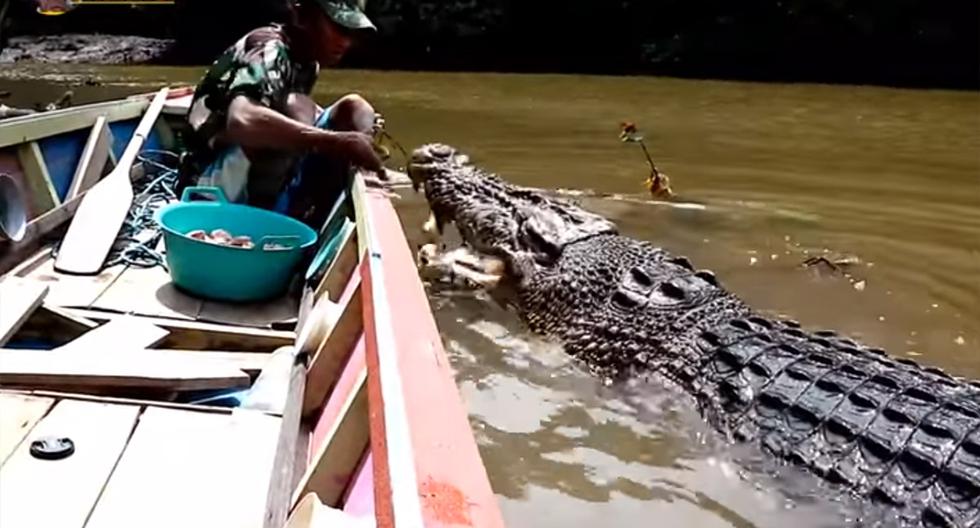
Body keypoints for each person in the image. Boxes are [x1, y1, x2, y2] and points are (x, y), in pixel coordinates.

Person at [179, 0, 384, 227]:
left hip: (256, 173)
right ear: (301, 15)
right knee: (297, 108)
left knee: (354, 107)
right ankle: (269, 218)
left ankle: (309, 207)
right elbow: (242, 120)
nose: (345, 42)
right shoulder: (269, 49)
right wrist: (333, 141)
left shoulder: (308, 62)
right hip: (210, 184)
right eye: (337, 28)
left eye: (350, 32)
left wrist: (362, 138)